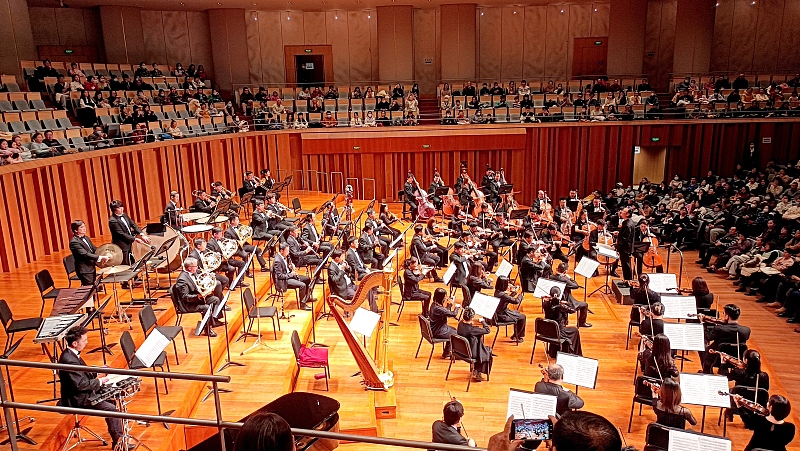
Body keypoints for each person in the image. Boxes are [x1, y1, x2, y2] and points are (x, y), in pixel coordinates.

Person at [58, 327, 126, 449]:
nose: (86, 343)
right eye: (84, 341)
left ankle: (118, 437)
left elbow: (82, 375)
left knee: (111, 398)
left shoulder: (71, 354)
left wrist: (98, 370)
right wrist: (100, 380)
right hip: (77, 398)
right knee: (111, 409)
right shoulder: (69, 360)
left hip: (82, 393)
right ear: (75, 343)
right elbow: (80, 385)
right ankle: (119, 444)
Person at [173, 257, 224, 335]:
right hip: (188, 304)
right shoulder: (182, 280)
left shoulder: (193, 273)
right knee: (206, 308)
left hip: (197, 299)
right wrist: (199, 296)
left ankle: (214, 321)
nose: (197, 267)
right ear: (190, 268)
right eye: (195, 266)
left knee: (215, 299)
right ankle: (207, 330)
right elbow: (185, 297)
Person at [699, 303, 751, 373]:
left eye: (724, 314)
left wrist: (702, 323)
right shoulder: (746, 330)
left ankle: (707, 371)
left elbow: (708, 337)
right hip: (736, 358)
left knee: (702, 348)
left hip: (716, 358)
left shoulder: (719, 329)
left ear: (727, 316)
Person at [542, 287, 582, 357]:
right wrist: (565, 303)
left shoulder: (545, 304)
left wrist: (553, 301)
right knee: (575, 330)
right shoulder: (560, 307)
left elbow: (551, 305)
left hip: (548, 331)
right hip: (559, 332)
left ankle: (554, 351)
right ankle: (574, 353)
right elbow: (573, 310)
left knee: (564, 328)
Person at [108, 200, 149, 265]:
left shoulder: (124, 215)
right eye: (118, 208)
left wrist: (142, 234)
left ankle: (134, 275)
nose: (121, 209)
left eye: (121, 207)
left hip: (129, 242)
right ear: (114, 210)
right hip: (122, 245)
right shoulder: (113, 221)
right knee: (125, 263)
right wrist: (134, 239)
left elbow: (133, 224)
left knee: (133, 260)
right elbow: (121, 234)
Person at [69, 220, 110, 286]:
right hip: (84, 270)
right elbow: (85, 254)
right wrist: (100, 257)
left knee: (92, 287)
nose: (84, 229)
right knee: (89, 288)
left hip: (90, 266)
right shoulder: (74, 242)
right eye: (81, 227)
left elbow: (94, 249)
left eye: (84, 226)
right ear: (76, 230)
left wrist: (104, 253)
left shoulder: (86, 238)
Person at [273, 243, 313, 310]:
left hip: (288, 276)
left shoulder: (283, 257)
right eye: (287, 251)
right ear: (281, 251)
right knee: (302, 285)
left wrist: (290, 267)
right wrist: (291, 274)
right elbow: (280, 276)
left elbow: (285, 268)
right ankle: (302, 304)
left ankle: (307, 297)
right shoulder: (277, 261)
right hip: (284, 280)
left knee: (307, 279)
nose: (288, 253)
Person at [457, 307, 492, 382]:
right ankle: (478, 371)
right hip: (469, 353)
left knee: (481, 347)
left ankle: (477, 370)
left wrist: (471, 323)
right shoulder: (472, 330)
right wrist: (483, 321)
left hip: (460, 350)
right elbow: (487, 330)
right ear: (471, 318)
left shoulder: (460, 324)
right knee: (488, 351)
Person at [551, 262, 591, 327]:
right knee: (584, 305)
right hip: (566, 301)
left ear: (557, 269)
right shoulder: (564, 279)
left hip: (554, 300)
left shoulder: (551, 276)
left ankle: (565, 320)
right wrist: (570, 278)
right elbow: (576, 286)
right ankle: (581, 323)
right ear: (565, 271)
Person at [493, 276, 526, 342]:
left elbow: (507, 299)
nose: (508, 284)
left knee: (518, 314)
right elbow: (516, 301)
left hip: (500, 312)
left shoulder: (498, 291)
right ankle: (517, 337)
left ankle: (516, 335)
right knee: (522, 317)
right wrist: (520, 295)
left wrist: (514, 292)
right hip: (502, 316)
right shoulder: (503, 295)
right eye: (507, 283)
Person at [429, 288, 458, 358]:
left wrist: (449, 305)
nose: (446, 298)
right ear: (441, 297)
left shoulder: (434, 304)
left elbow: (445, 312)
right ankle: (456, 354)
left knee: (454, 330)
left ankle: (447, 352)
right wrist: (457, 307)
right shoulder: (438, 308)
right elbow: (453, 314)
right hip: (438, 331)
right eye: (445, 296)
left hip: (438, 328)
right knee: (457, 334)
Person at [616, 207, 636, 280]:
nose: (621, 212)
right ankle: (627, 280)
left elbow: (625, 239)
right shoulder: (629, 221)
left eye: (623, 211)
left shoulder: (627, 224)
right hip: (627, 247)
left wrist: (617, 247)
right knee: (626, 265)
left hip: (625, 248)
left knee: (626, 266)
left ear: (627, 214)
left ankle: (628, 282)